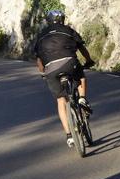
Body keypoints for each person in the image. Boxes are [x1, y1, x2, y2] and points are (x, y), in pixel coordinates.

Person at [34, 10, 95, 148]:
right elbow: (81, 48)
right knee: (81, 76)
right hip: (69, 62)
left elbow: (38, 60)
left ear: (48, 21)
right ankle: (82, 98)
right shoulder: (68, 30)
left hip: (51, 69)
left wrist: (43, 73)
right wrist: (89, 60)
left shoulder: (41, 35)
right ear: (62, 19)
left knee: (61, 100)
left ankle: (69, 136)